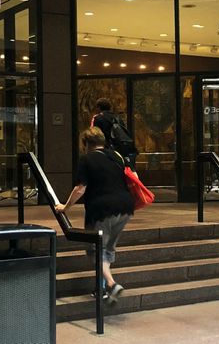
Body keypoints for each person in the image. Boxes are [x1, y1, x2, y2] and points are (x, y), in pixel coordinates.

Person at [56, 127, 134, 305]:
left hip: (102, 210)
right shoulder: (116, 156)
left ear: (86, 143)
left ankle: (111, 284)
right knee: (107, 249)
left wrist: (65, 206)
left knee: (95, 249)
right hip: (125, 208)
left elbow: (80, 188)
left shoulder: (86, 159)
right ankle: (102, 290)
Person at [91, 98, 137, 168]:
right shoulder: (117, 117)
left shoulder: (98, 118)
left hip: (107, 149)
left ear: (99, 107)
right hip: (120, 148)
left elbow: (96, 135)